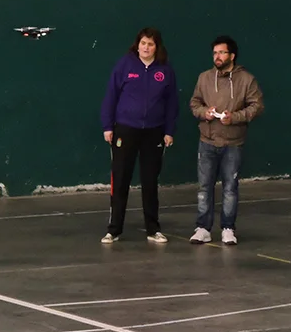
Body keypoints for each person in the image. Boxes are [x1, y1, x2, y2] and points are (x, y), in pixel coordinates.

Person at [100, 27, 179, 244]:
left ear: (156, 47)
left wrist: (169, 131)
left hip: (154, 131)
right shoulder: (124, 65)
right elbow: (111, 96)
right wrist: (108, 126)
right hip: (125, 129)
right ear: (137, 45)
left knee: (150, 181)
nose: (146, 47)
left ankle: (153, 229)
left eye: (150, 44)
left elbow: (172, 103)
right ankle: (114, 230)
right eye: (143, 43)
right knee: (121, 180)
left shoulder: (165, 70)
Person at [189, 35, 264, 245]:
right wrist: (205, 113)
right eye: (215, 53)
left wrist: (235, 117)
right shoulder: (204, 78)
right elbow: (195, 103)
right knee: (204, 187)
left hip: (233, 143)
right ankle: (203, 228)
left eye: (222, 52)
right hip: (207, 141)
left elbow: (257, 106)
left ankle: (228, 228)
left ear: (232, 55)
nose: (217, 56)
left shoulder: (247, 80)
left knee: (230, 187)